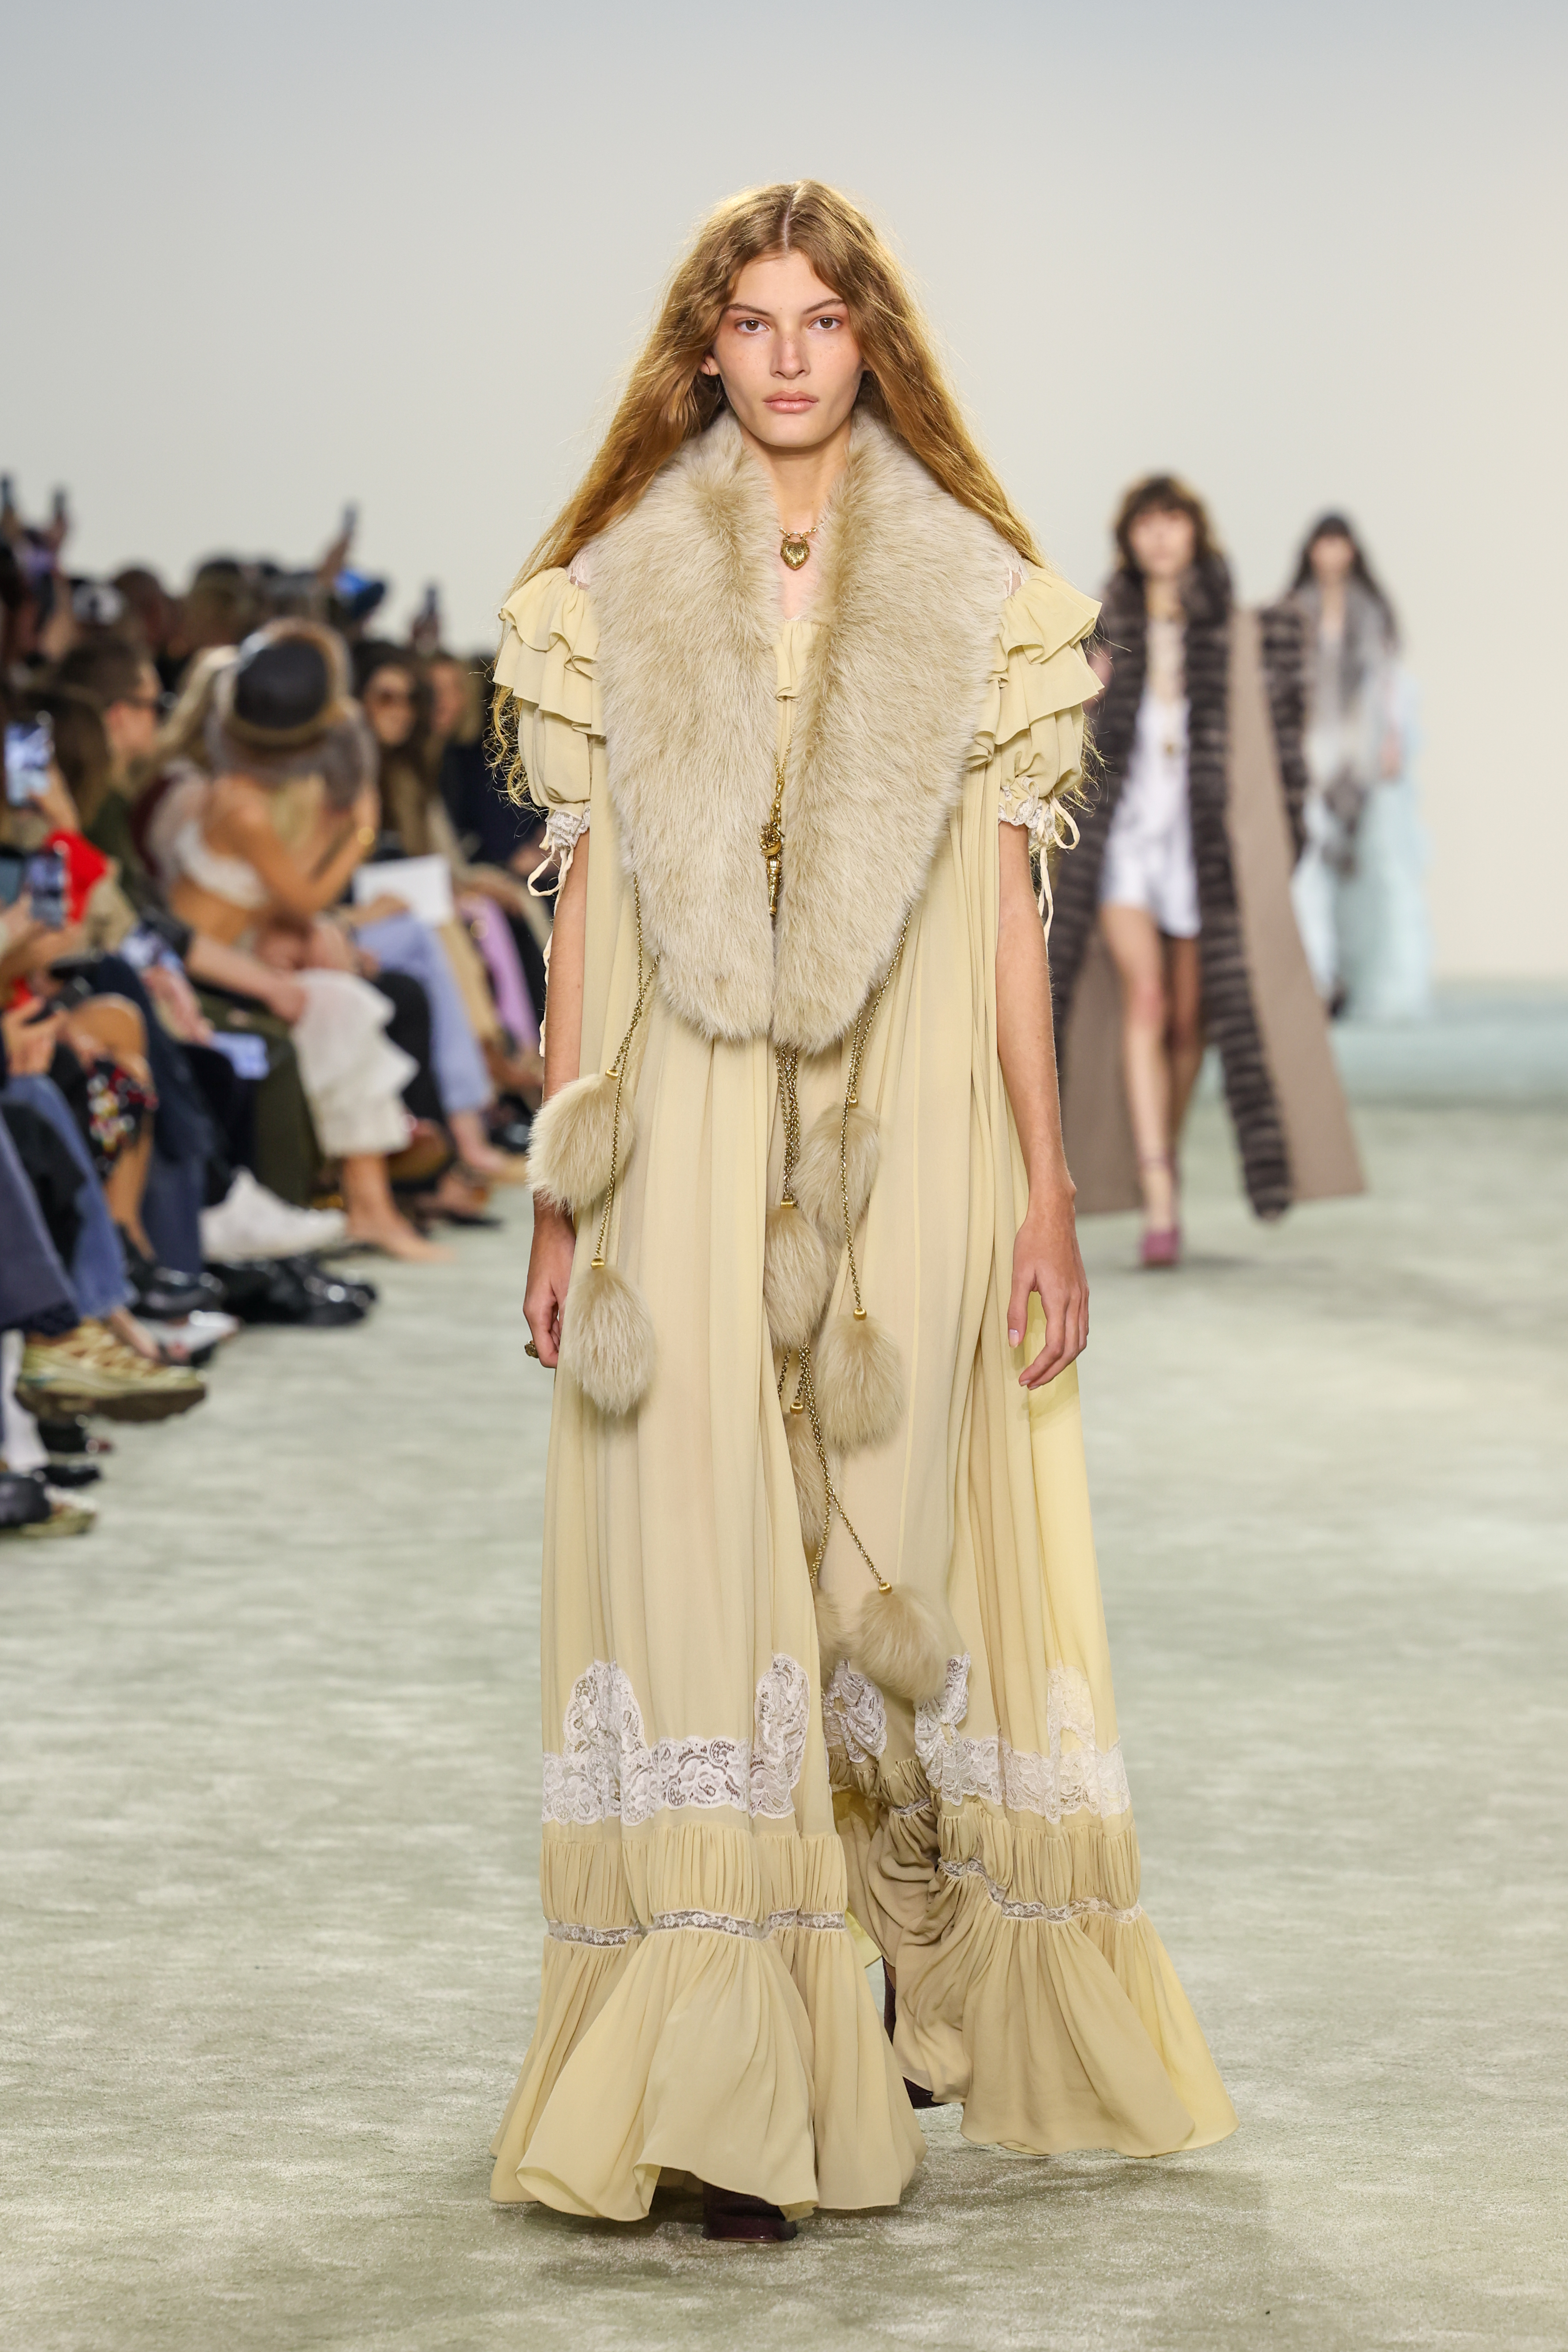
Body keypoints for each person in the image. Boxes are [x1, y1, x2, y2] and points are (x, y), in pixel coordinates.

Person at [490, 181, 1236, 2242]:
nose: (790, 355)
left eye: (823, 319)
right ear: (703, 349)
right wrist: (562, 1192)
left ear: (872, 342)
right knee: (698, 1548)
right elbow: (583, 914)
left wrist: (1050, 1186)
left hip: (911, 1117)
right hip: (683, 1107)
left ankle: (893, 1955)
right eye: (754, 321)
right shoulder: (609, 592)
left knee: (892, 1553)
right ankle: (732, 2073)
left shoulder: (977, 594)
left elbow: (1006, 907)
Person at [1049, 476, 1362, 1262]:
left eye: (1172, 521)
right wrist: (1084, 695)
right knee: (1146, 997)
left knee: (1192, 1024)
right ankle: (1159, 1193)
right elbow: (1059, 734)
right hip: (1124, 840)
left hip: (1199, 846)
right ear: (1128, 538)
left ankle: (1158, 1148)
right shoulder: (1098, 630)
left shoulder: (1235, 633)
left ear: (1194, 533)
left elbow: (1275, 745)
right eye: (1145, 523)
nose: (1159, 535)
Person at [1286, 515, 1430, 1020]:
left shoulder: (1371, 611)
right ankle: (1317, 975)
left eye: (1338, 543)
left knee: (1364, 866)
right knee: (1308, 860)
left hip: (1360, 750)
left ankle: (1359, 975)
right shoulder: (1294, 609)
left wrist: (1392, 741)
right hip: (1308, 747)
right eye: (1323, 543)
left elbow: (1388, 680)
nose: (1331, 553)